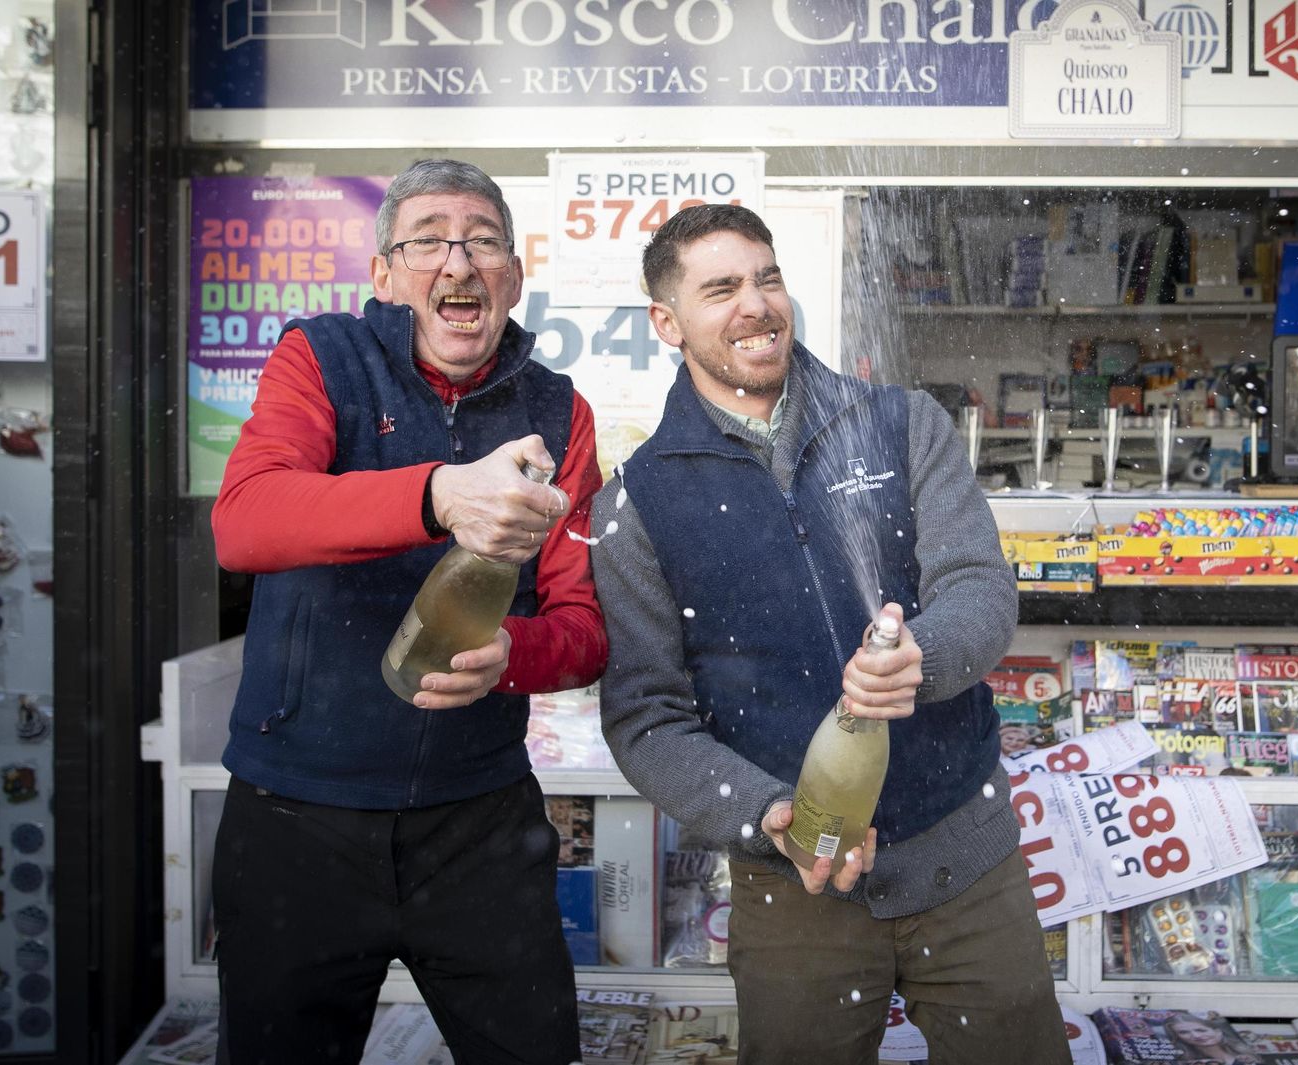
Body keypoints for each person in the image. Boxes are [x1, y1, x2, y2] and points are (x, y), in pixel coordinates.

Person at [591, 204, 1069, 1064]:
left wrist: (924, 656)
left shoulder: (901, 422)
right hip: (794, 889)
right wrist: (765, 813)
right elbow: (645, 717)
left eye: (767, 277)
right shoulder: (636, 503)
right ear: (667, 322)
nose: (756, 305)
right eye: (722, 288)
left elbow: (979, 586)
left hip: (968, 865)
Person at [210, 158, 606, 1065]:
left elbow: (585, 629)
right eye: (427, 239)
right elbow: (245, 522)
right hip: (295, 819)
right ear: (385, 275)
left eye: (483, 239)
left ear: (515, 272)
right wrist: (435, 496)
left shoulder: (559, 409)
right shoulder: (321, 356)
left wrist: (513, 653)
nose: (457, 261)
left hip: (480, 822)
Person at [1164, 1012, 1261, 1065]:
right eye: (1183, 1032)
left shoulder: (1249, 1056)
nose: (1196, 1036)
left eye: (1201, 1030)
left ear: (1218, 1031)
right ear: (1177, 1037)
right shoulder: (1180, 1061)